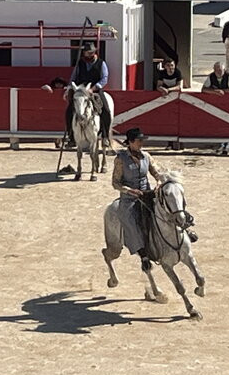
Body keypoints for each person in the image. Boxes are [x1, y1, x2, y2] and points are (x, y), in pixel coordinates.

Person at [111, 127, 166, 270]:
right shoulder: (120, 159)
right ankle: (143, 255)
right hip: (129, 198)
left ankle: (185, 229)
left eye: (142, 140)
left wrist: (159, 182)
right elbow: (115, 183)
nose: (141, 143)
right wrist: (130, 191)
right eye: (139, 141)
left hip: (147, 193)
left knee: (168, 205)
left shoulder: (146, 156)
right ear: (130, 142)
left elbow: (156, 172)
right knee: (129, 220)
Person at [63, 42, 112, 148]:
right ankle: (71, 136)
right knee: (69, 111)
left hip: (94, 90)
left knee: (106, 110)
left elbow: (104, 79)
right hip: (81, 89)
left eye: (90, 53)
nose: (88, 55)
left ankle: (105, 136)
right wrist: (70, 87)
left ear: (94, 52)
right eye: (86, 53)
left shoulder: (101, 63)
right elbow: (73, 77)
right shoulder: (79, 63)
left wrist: (94, 88)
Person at [204, 61, 229, 155]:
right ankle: (222, 144)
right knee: (219, 124)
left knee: (228, 124)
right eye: (217, 70)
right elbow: (203, 89)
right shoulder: (211, 76)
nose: (219, 71)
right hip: (215, 105)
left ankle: (227, 144)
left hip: (228, 104)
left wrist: (221, 91)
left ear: (224, 69)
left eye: (220, 69)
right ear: (214, 70)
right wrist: (215, 92)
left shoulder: (228, 76)